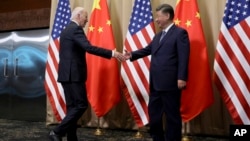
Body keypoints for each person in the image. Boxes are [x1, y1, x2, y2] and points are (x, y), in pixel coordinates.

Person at [48, 7, 125, 141]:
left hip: (66, 75)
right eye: (85, 17)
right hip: (74, 75)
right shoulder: (76, 29)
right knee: (81, 105)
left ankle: (72, 137)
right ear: (78, 16)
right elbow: (88, 48)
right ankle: (57, 131)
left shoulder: (66, 30)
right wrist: (112, 53)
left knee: (72, 108)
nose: (87, 20)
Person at [124, 4, 190, 141]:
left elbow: (184, 57)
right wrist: (131, 55)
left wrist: (182, 77)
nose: (156, 20)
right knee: (154, 115)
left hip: (171, 83)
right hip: (155, 83)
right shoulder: (158, 35)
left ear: (167, 16)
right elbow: (148, 49)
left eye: (158, 16)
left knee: (172, 116)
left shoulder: (180, 33)